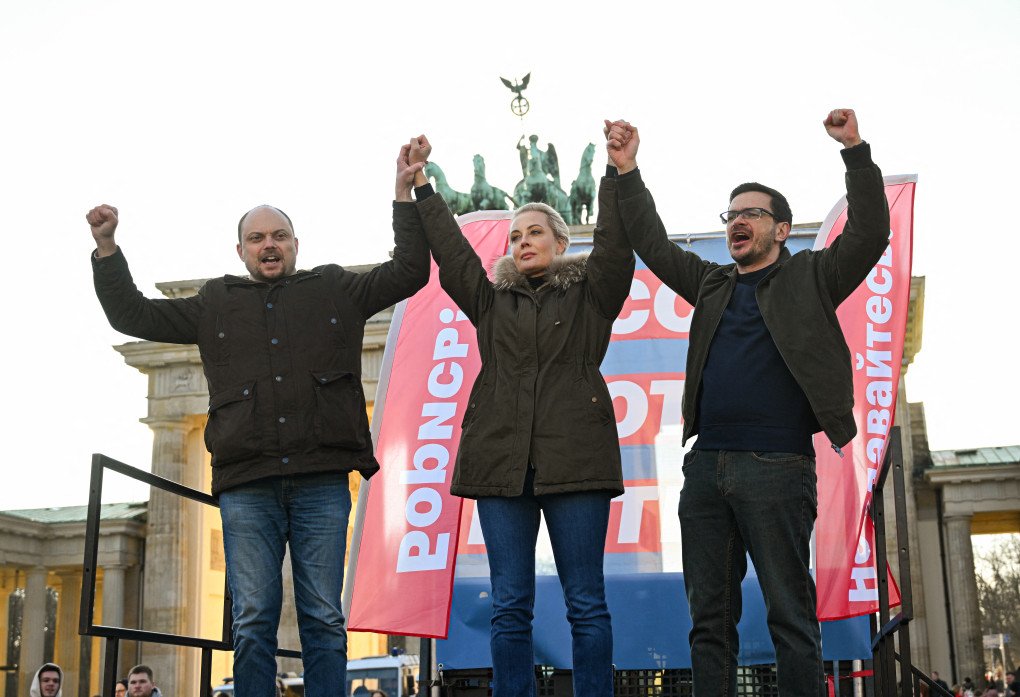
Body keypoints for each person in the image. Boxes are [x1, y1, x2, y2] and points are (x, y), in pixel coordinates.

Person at [88, 148, 431, 697]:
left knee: (323, 615)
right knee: (252, 618)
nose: (269, 245)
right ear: (241, 250)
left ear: (296, 246)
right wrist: (107, 249)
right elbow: (133, 314)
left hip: (321, 478)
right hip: (248, 483)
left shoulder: (334, 289)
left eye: (280, 236)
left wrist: (403, 194)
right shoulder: (215, 303)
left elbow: (411, 270)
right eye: (257, 238)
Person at [606, 108, 890, 697]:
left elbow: (869, 234)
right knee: (709, 622)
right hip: (706, 469)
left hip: (777, 469)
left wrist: (854, 150)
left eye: (750, 214)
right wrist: (627, 169)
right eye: (730, 214)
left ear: (781, 229)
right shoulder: (711, 284)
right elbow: (653, 245)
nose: (737, 222)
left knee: (790, 615)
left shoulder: (813, 276)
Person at [411, 132, 634, 697]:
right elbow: (453, 254)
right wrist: (422, 189)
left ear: (562, 241)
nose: (522, 241)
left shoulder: (592, 295)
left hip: (575, 461)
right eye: (514, 235)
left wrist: (616, 172)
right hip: (501, 464)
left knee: (585, 602)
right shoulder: (490, 300)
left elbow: (614, 244)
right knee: (509, 603)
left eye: (535, 231)